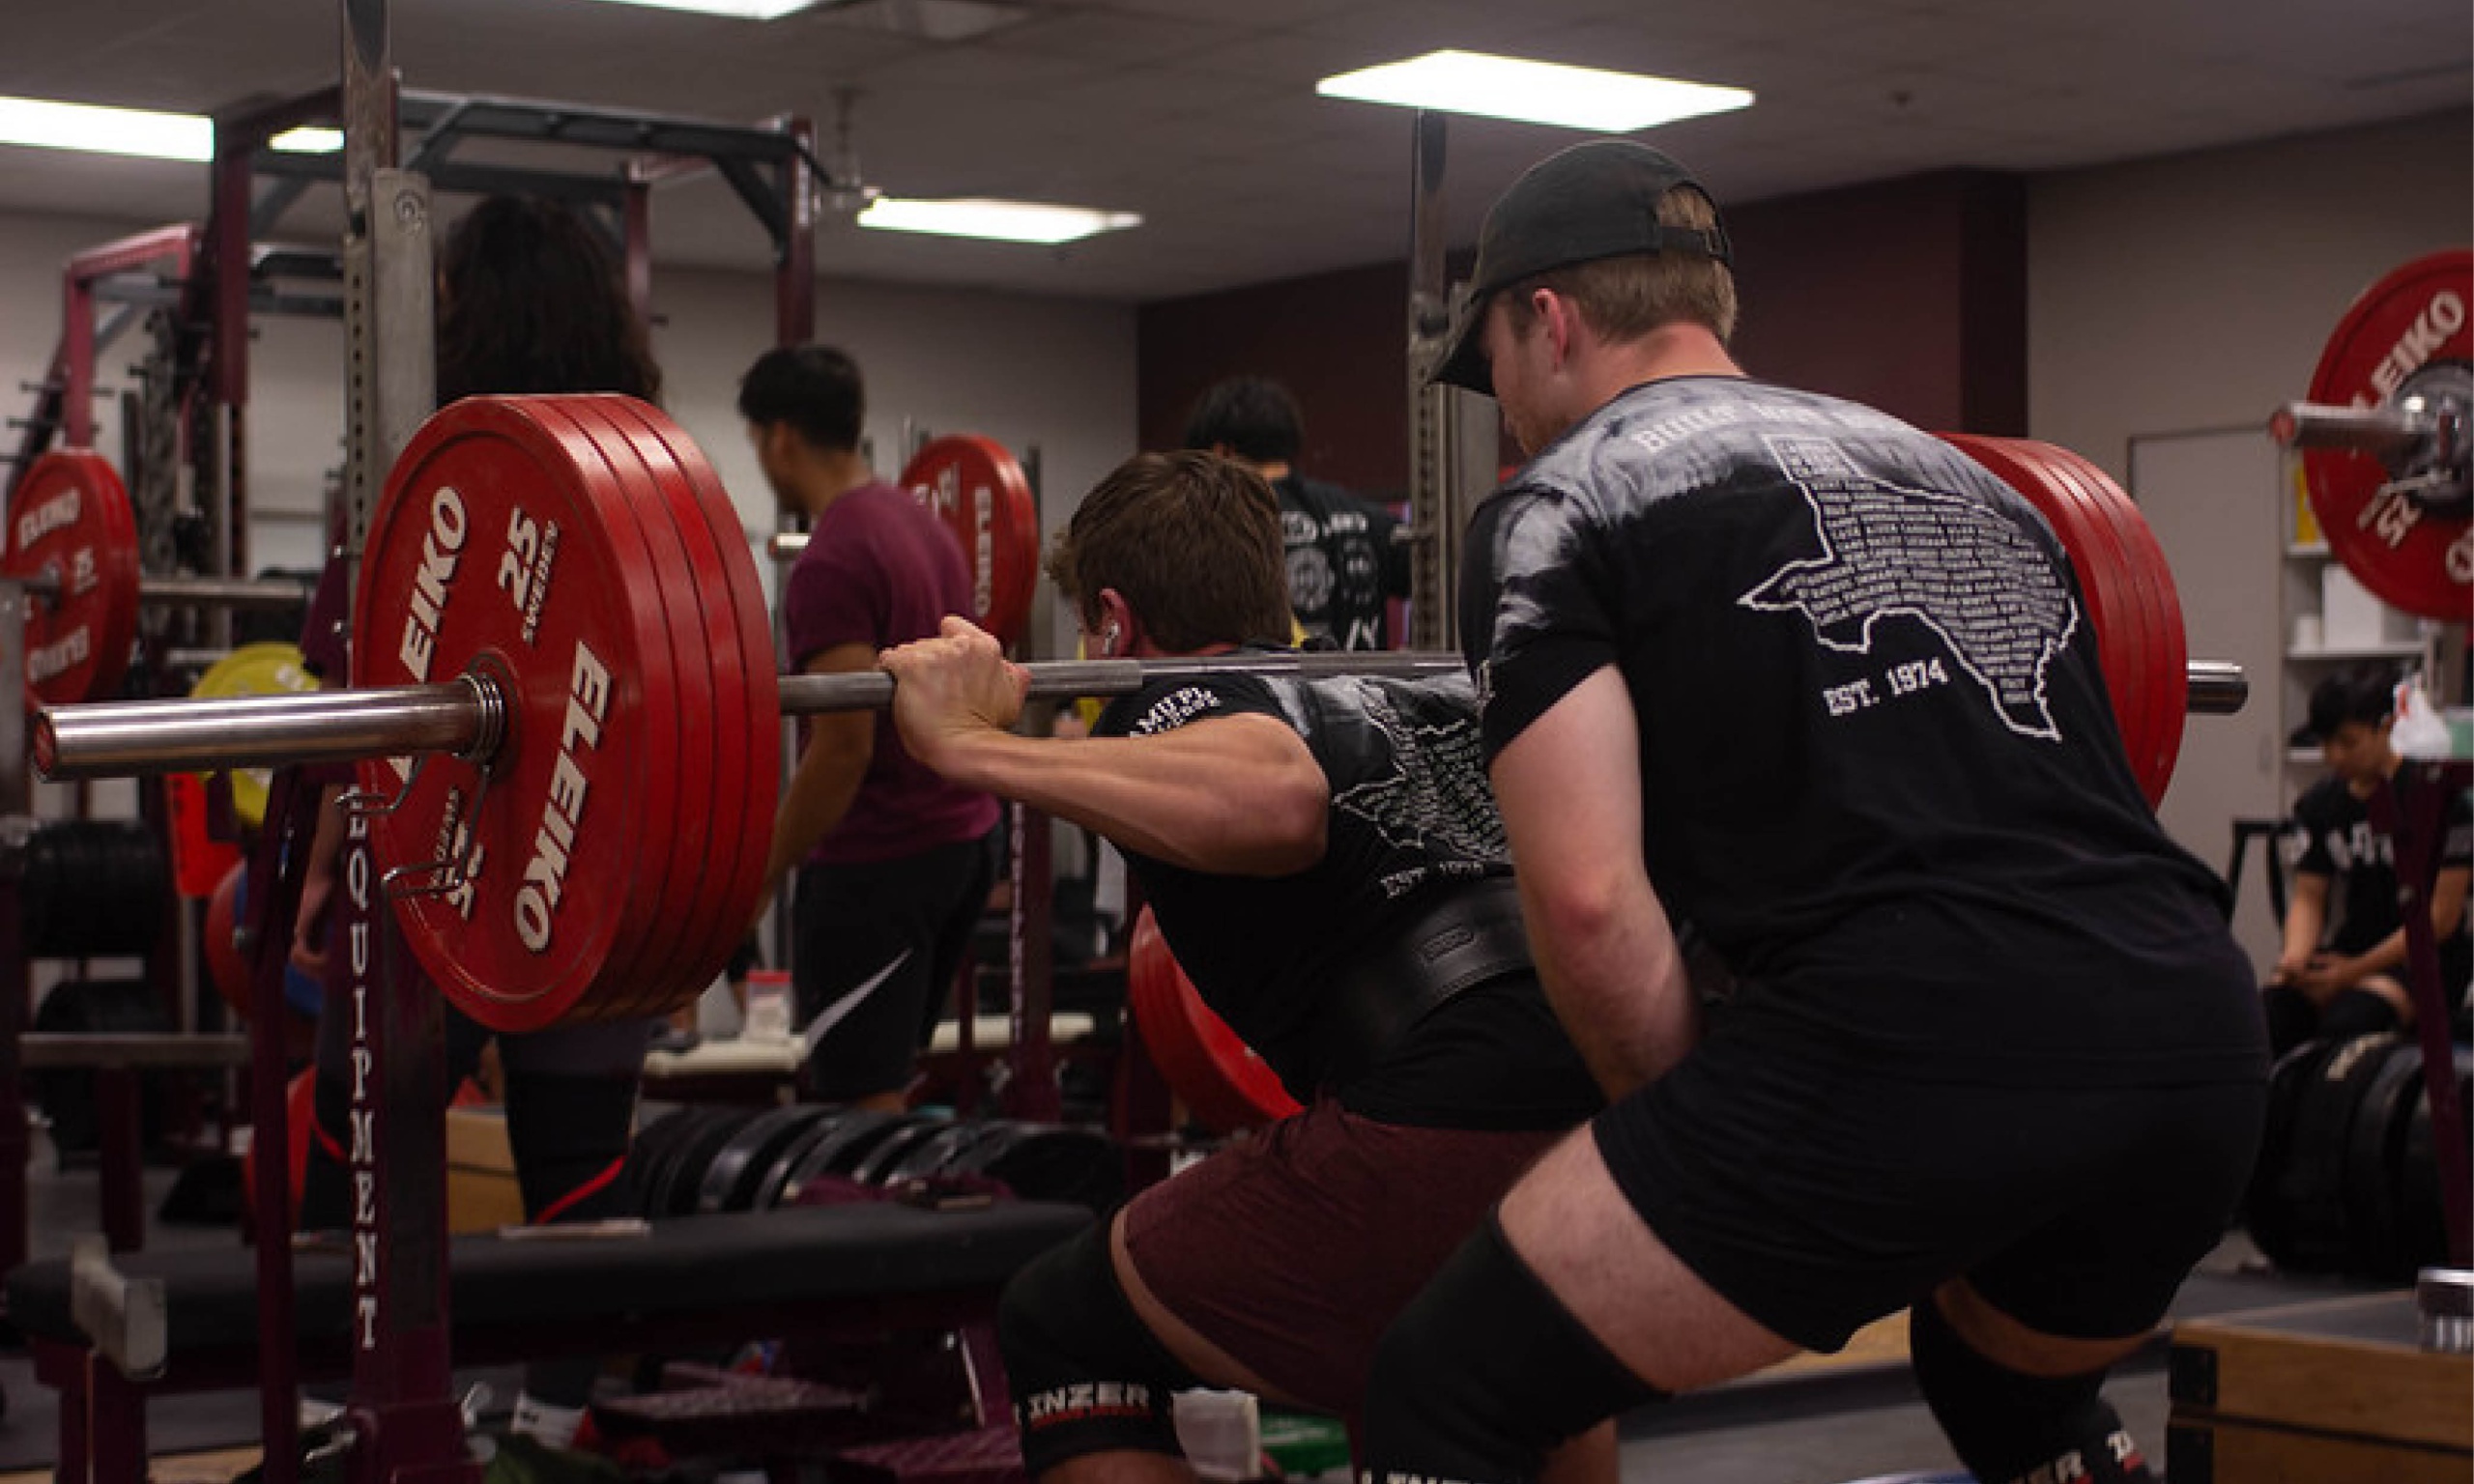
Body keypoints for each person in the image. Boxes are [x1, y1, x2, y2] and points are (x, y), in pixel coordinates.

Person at [1356, 140, 2271, 1484]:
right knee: (2006, 1391)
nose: (1502, 401)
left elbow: (1590, 899)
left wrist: (1693, 1151)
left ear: (1545, 321)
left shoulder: (1558, 505)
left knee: (1445, 1390)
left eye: (1490, 356)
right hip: (2195, 1033)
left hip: (1902, 1043)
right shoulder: (1958, 474)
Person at [877, 450, 1610, 1483]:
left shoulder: (1172, 696)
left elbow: (1278, 797)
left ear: (1113, 623)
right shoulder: (1430, 687)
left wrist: (966, 746)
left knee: (1059, 1324)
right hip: (1607, 1105)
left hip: (1438, 1115)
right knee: (1507, 1355)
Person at [294, 194, 667, 1454]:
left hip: (441, 850)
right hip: (601, 850)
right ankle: (552, 1429)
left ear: (469, 311)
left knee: (356, 1149)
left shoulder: (426, 465)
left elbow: (354, 668)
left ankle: (336, 1416)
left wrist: (326, 849)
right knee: (581, 1172)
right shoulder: (649, 456)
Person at [738, 345, 1000, 1110]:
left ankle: (867, 1223)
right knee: (893, 1084)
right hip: (962, 844)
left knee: (859, 1109)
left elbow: (843, 746)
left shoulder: (833, 558)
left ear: (780, 436)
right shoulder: (925, 527)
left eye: (756, 443)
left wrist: (763, 874)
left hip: (879, 863)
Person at [2270, 667, 2472, 1054]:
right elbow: (2310, 897)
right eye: (2327, 743)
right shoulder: (2321, 804)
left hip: (2425, 963)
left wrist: (2353, 972)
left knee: (2349, 1023)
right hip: (2350, 952)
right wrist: (2294, 962)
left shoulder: (2438, 799)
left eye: (2349, 742)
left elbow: (2441, 918)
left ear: (2386, 727)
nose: (2334, 756)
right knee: (2273, 1015)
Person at [1184, 376, 1410, 651]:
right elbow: (1435, 579)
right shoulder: (1366, 517)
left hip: (1267, 692)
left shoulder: (1214, 524)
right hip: (1364, 692)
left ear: (1221, 452)